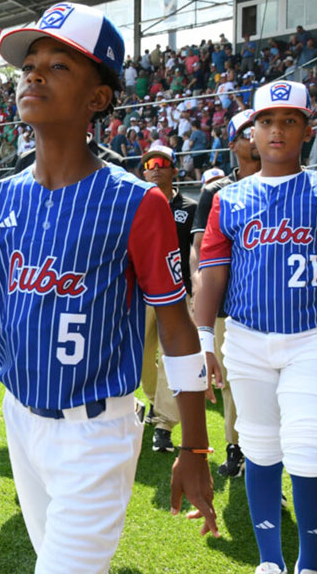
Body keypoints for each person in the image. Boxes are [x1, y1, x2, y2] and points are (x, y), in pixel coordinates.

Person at [0, 2, 218, 574]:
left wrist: (194, 445)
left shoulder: (139, 202)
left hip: (97, 431)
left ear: (99, 98)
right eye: (29, 64)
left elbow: (177, 328)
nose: (34, 74)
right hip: (20, 419)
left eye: (59, 65)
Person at [196, 80, 317, 574]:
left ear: (308, 130)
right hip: (245, 338)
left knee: (310, 452)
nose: (276, 131)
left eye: (289, 121)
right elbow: (213, 275)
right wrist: (203, 339)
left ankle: (311, 565)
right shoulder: (230, 198)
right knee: (259, 448)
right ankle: (270, 563)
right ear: (252, 131)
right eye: (266, 121)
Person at [189, 109, 259, 479]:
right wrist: (200, 296)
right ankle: (237, 447)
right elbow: (200, 249)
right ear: (233, 143)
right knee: (232, 382)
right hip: (226, 304)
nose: (259, 134)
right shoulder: (217, 191)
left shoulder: (289, 183)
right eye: (250, 130)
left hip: (267, 305)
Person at [137, 147, 199, 452]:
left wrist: (196, 289)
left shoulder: (189, 206)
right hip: (142, 291)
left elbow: (196, 251)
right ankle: (154, 403)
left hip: (177, 293)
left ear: (174, 169)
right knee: (142, 355)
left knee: (169, 357)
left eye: (162, 162)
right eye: (150, 163)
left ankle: (163, 424)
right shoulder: (137, 204)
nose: (155, 167)